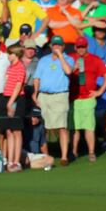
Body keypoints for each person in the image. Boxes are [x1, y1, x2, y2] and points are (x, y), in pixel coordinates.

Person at [33, 35, 74, 165]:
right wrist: (35, 93)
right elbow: (37, 78)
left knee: (62, 127)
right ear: (50, 46)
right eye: (54, 45)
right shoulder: (43, 60)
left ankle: (64, 157)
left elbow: (68, 71)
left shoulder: (68, 59)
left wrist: (61, 56)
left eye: (59, 45)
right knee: (43, 127)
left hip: (59, 96)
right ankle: (45, 155)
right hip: (43, 96)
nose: (56, 47)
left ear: (63, 46)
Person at [69, 36, 106, 162]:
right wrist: (73, 68)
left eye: (83, 46)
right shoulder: (70, 58)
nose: (81, 49)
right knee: (74, 128)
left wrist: (100, 91)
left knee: (88, 127)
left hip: (88, 97)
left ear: (87, 47)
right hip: (74, 97)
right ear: (76, 47)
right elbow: (63, 72)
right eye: (79, 47)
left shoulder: (95, 59)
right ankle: (74, 152)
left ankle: (91, 152)